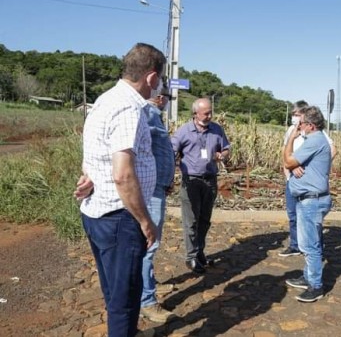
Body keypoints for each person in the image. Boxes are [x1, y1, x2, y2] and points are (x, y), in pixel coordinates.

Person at [74, 43, 165, 337]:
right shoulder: (128, 108)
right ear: (151, 77)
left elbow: (97, 153)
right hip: (119, 218)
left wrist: (90, 176)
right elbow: (123, 175)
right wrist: (145, 221)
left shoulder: (105, 99)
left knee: (114, 290)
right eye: (160, 79)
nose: (160, 85)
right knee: (125, 299)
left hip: (97, 211)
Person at [171, 98, 231, 274]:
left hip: (210, 180)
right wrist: (174, 167)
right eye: (206, 113)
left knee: (205, 220)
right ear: (195, 113)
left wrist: (223, 155)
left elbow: (227, 148)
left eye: (211, 112)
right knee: (191, 221)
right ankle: (190, 257)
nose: (210, 116)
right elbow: (171, 151)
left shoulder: (217, 129)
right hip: (191, 181)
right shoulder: (184, 131)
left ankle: (200, 252)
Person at [283, 105, 332, 303]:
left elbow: (287, 161)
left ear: (310, 125)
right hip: (310, 198)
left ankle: (316, 286)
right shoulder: (316, 139)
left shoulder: (314, 140)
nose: (299, 126)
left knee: (310, 245)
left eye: (301, 123)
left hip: (312, 200)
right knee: (309, 242)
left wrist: (291, 138)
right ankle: (308, 276)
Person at [138, 87, 178, 323]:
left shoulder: (153, 115)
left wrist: (166, 179)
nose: (166, 102)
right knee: (149, 245)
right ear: (160, 97)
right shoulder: (149, 113)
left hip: (157, 186)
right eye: (167, 98)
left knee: (149, 245)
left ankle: (148, 285)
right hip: (151, 190)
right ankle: (147, 301)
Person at [279, 101, 336, 258]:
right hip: (292, 179)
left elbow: (331, 150)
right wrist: (291, 167)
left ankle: (314, 255)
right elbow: (286, 155)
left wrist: (311, 167)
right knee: (293, 215)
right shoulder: (292, 130)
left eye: (298, 115)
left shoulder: (317, 134)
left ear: (308, 122)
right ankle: (296, 245)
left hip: (308, 184)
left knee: (310, 220)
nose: (295, 118)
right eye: (294, 115)